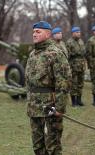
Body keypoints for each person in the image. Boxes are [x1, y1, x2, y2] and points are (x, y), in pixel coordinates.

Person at [25, 21, 71, 155]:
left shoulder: (56, 53)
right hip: (34, 108)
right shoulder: (33, 54)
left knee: (53, 147)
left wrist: (60, 108)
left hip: (50, 108)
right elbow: (29, 81)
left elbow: (63, 82)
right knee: (38, 146)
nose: (34, 34)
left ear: (48, 33)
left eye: (38, 31)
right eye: (33, 32)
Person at [66, 26, 86, 106]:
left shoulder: (81, 41)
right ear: (73, 33)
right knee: (74, 83)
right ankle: (74, 102)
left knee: (80, 83)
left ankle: (79, 100)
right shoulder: (69, 42)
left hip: (81, 65)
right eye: (77, 32)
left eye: (79, 32)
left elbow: (84, 52)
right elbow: (67, 55)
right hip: (73, 66)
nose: (79, 34)